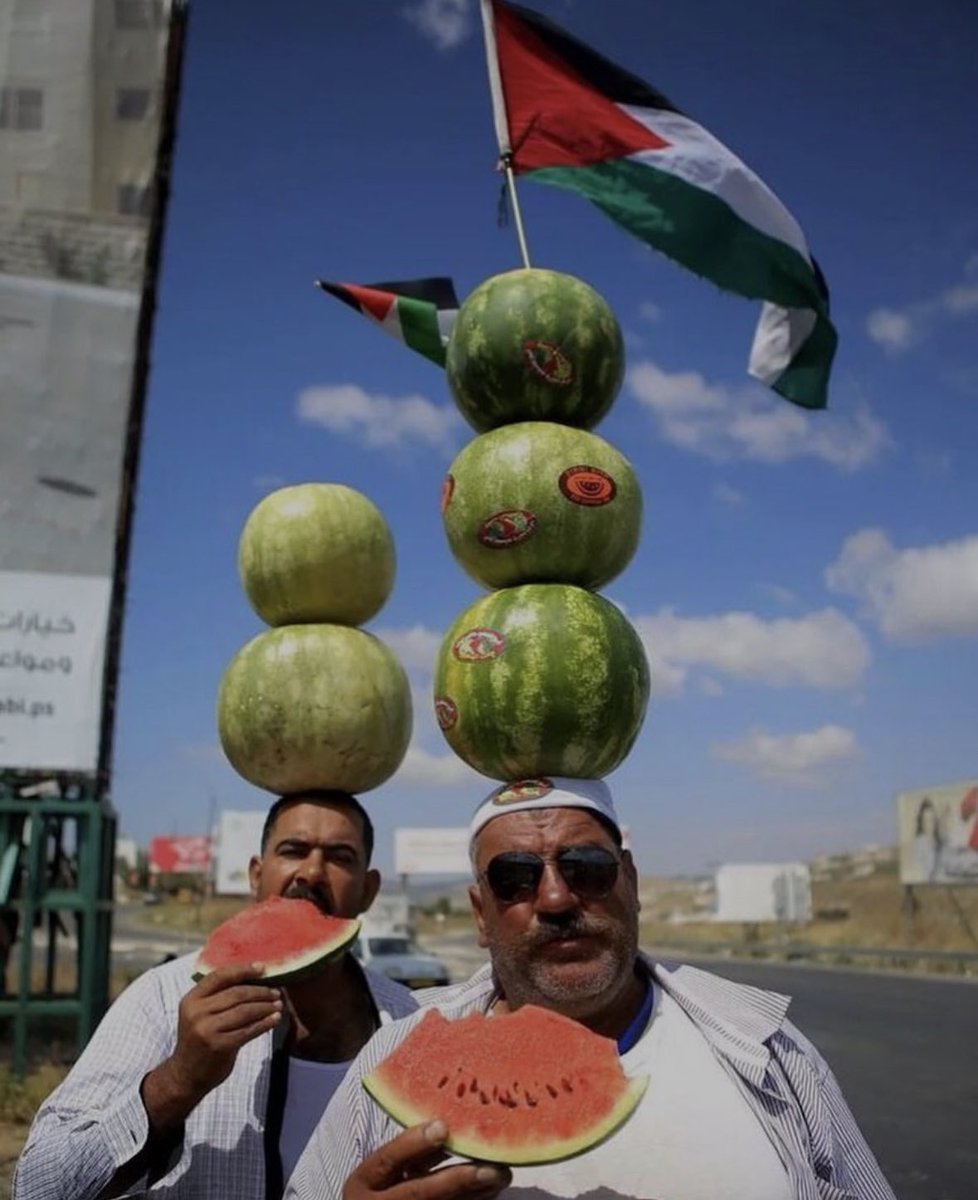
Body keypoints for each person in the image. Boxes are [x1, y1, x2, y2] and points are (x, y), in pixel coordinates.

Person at [287, 777, 897, 1200]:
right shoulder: (395, 1056)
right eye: (515, 878)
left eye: (587, 868)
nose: (555, 898)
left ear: (630, 882)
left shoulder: (765, 1049)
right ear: (480, 913)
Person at [14, 789, 419, 1200]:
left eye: (339, 857)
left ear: (369, 890)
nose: (312, 872)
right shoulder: (164, 996)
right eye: (294, 850)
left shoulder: (410, 1022)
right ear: (256, 875)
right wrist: (178, 1080)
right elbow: (39, 1187)